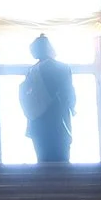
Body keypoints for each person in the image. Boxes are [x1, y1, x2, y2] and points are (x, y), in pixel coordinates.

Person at [17, 34, 77, 164]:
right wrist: (72, 107)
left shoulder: (32, 71)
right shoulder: (62, 67)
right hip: (59, 120)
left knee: (43, 162)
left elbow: (23, 95)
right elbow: (69, 94)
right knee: (62, 162)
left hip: (37, 123)